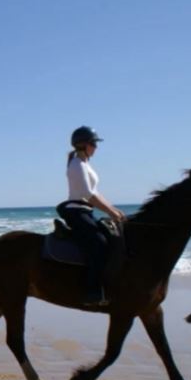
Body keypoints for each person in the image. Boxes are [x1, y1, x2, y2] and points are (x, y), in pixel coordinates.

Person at [56, 126, 126, 306]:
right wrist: (109, 211)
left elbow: (95, 192)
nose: (96, 147)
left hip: (85, 211)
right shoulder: (76, 165)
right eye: (93, 143)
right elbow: (88, 194)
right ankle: (92, 292)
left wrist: (114, 209)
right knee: (99, 244)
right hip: (76, 211)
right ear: (83, 145)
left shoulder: (85, 164)